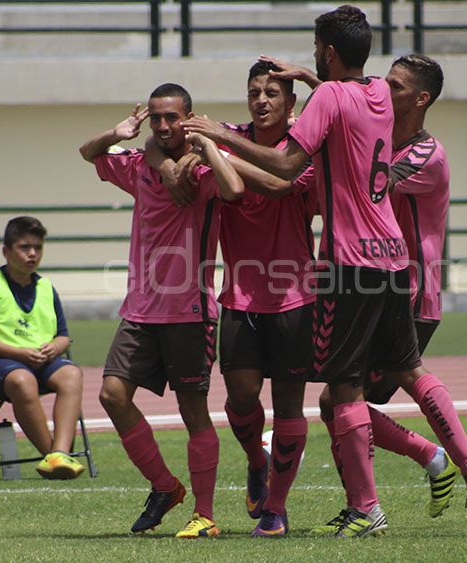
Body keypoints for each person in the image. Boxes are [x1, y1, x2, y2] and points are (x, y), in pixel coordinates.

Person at [183, 5, 467, 538]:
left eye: (315, 49)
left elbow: (285, 167)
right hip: (394, 260)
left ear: (327, 51)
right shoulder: (377, 91)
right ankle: (466, 461)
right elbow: (346, 93)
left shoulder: (331, 97)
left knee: (341, 388)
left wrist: (217, 134)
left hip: (348, 262)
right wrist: (311, 80)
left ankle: (367, 508)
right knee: (411, 369)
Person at [147, 61, 317, 538]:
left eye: (272, 93)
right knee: (241, 400)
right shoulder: (225, 135)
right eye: (254, 92)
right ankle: (255, 460)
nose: (262, 100)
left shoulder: (303, 147)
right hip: (240, 295)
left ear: (291, 103)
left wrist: (213, 150)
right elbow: (157, 141)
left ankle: (276, 509)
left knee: (288, 406)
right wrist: (181, 157)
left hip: (294, 293)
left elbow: (280, 184)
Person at [78, 83, 243, 539]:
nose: (165, 125)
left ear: (188, 117)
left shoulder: (205, 170)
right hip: (141, 310)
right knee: (112, 395)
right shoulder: (138, 166)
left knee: (194, 414)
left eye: (173, 117)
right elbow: (88, 153)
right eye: (157, 118)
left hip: (190, 310)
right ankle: (166, 487)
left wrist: (204, 147)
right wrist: (119, 132)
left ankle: (205, 515)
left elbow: (233, 190)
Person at [0, 216, 86, 480]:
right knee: (22, 380)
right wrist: (19, 353)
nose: (32, 254)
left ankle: (60, 453)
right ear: (6, 251)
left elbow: (64, 337)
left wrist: (55, 347)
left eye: (38, 247)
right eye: (24, 247)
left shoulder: (46, 287)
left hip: (42, 362)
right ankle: (52, 457)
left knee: (72, 374)